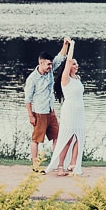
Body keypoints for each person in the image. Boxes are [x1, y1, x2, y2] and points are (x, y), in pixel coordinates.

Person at [24, 37, 70, 172]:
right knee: (36, 139)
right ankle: (35, 165)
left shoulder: (49, 71)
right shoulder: (32, 79)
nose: (51, 67)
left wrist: (65, 44)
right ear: (41, 63)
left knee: (57, 136)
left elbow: (60, 57)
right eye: (48, 64)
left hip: (51, 111)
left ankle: (55, 162)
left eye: (51, 64)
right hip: (39, 112)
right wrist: (31, 115)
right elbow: (27, 99)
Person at [46, 39, 87, 176]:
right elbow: (68, 61)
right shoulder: (66, 79)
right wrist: (72, 45)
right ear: (69, 66)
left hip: (79, 112)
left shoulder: (77, 78)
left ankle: (73, 165)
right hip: (69, 111)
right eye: (74, 63)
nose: (76, 65)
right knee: (67, 139)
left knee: (79, 137)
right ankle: (60, 167)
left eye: (76, 63)